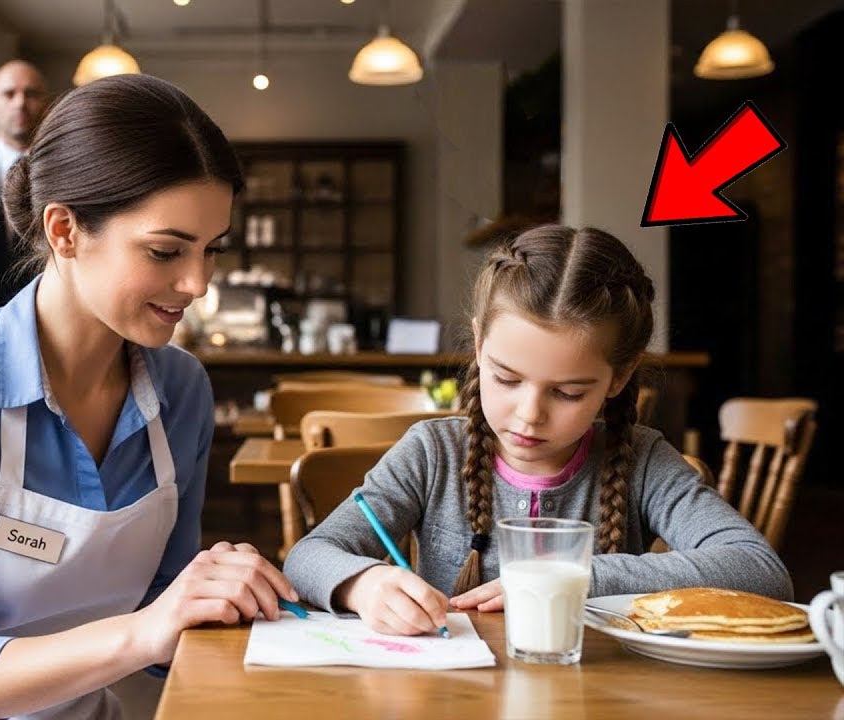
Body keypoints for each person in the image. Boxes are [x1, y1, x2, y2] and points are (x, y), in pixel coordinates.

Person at [0, 73, 298, 720]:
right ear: (64, 230)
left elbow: (161, 619)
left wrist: (225, 596)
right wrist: (147, 629)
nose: (197, 283)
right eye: (165, 251)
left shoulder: (181, 391)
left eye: (211, 250)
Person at [283, 225, 793, 636]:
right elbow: (307, 556)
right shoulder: (432, 453)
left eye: (568, 393)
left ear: (619, 376)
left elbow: (760, 570)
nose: (529, 414)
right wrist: (363, 584)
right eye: (506, 379)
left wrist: (576, 577)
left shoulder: (643, 461)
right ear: (479, 346)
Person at [0, 58, 49, 305]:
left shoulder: (65, 175)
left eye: (31, 94)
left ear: (46, 105)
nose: (20, 102)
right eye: (9, 94)